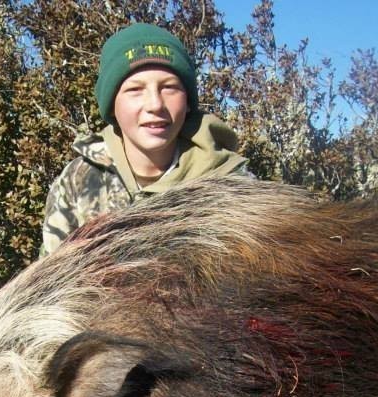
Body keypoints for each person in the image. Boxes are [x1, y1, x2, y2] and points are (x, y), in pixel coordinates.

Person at [40, 23, 249, 256]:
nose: (155, 105)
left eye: (169, 88)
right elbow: (52, 276)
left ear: (188, 101)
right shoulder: (78, 179)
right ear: (112, 106)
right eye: (135, 90)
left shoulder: (231, 182)